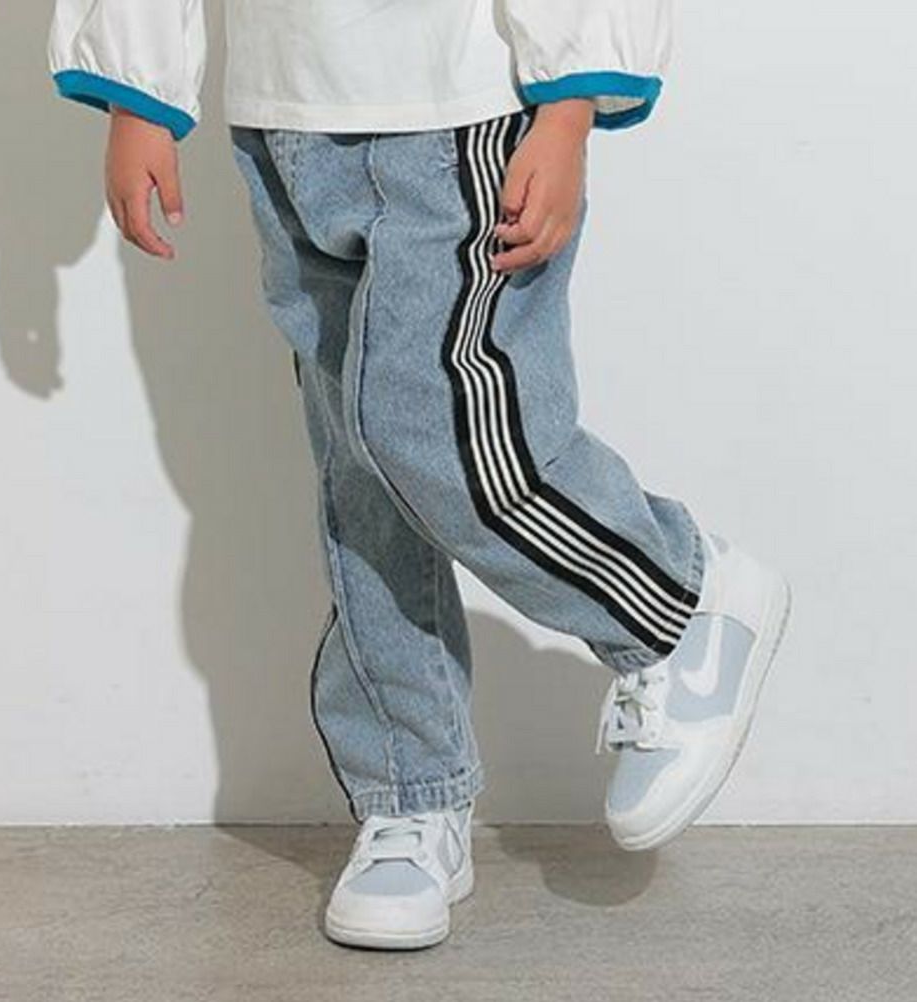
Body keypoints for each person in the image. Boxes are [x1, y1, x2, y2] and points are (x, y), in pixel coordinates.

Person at [47, 0, 792, 951]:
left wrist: (569, 106)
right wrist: (136, 88)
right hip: (283, 114)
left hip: (458, 104)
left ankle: (678, 604)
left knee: (436, 431)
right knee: (360, 476)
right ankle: (410, 792)